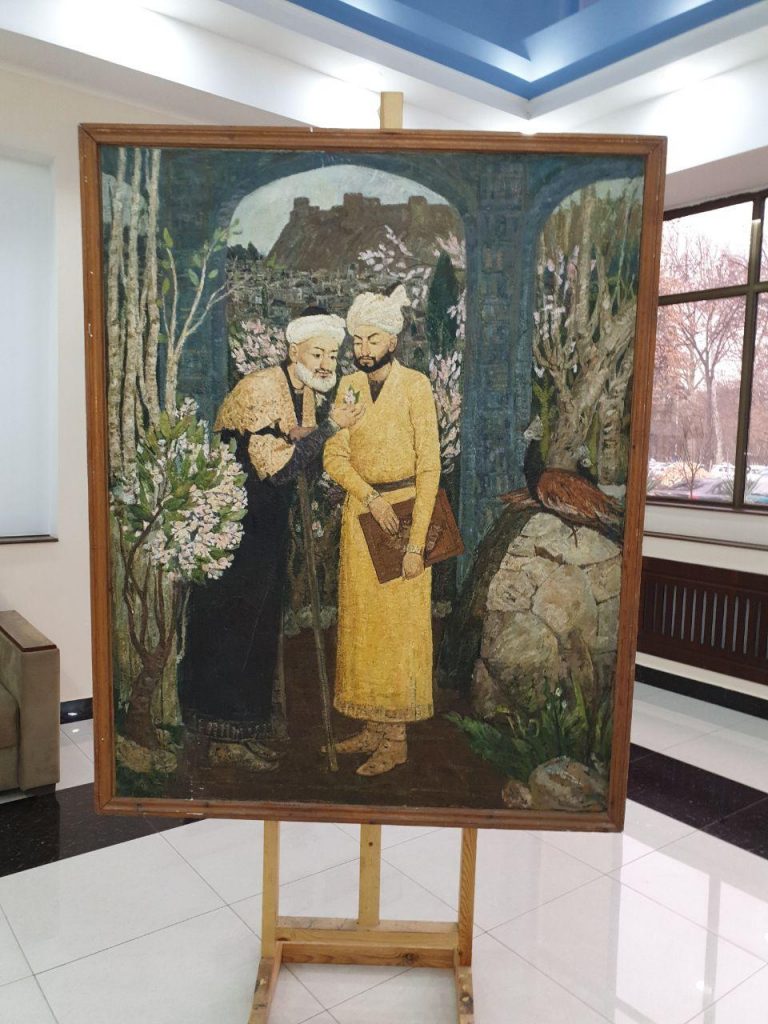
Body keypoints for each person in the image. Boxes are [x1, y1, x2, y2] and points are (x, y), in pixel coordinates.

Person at [178, 307, 364, 771]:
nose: (326, 363)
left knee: (261, 623)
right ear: (294, 350)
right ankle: (222, 735)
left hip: (266, 526)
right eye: (317, 353)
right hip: (236, 527)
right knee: (235, 622)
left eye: (332, 355)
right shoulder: (261, 388)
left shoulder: (304, 392)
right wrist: (328, 429)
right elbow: (276, 469)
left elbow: (300, 456)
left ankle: (247, 728)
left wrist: (316, 436)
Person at [323, 285, 441, 776]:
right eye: (358, 340)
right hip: (362, 516)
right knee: (362, 628)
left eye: (372, 339)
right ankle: (372, 727)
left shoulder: (415, 386)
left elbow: (430, 467)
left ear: (392, 340)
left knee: (399, 632)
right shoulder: (350, 386)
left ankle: (396, 740)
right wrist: (368, 497)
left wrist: (416, 544)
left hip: (407, 515)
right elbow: (334, 456)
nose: (364, 349)